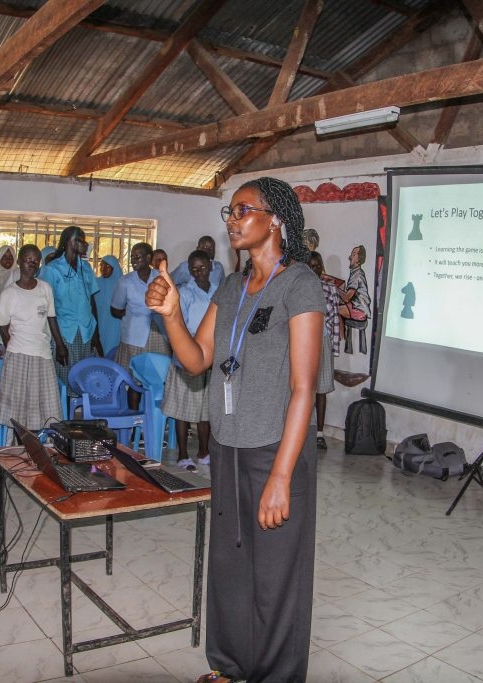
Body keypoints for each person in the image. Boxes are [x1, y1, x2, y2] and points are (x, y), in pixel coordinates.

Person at [147, 177, 323, 683]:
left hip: (275, 451)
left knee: (274, 576)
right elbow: (197, 359)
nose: (231, 218)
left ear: (275, 220)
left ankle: (274, 674)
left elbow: (303, 388)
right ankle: (228, 667)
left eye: (243, 209)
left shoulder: (300, 284)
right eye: (229, 210)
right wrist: (173, 315)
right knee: (228, 564)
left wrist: (282, 477)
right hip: (227, 446)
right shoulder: (230, 287)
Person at [0, 244, 65, 433]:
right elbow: (3, 328)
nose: (32, 263)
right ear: (19, 261)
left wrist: (59, 345)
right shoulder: (9, 293)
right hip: (18, 355)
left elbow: (51, 318)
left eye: (36, 260)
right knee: (18, 412)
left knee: (43, 409)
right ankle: (20, 449)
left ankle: (38, 450)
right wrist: (14, 347)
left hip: (42, 354)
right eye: (28, 259)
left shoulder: (45, 289)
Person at [161, 250, 217, 470]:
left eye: (202, 268)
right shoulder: (184, 293)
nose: (198, 272)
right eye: (194, 269)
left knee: (206, 410)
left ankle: (204, 452)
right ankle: (183, 455)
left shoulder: (217, 293)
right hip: (186, 358)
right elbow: (173, 326)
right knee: (182, 410)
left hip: (210, 358)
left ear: (211, 267)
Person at [38, 226, 101, 395]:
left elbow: (92, 302)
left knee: (85, 381)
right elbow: (46, 309)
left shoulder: (86, 268)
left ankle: (80, 419)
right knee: (65, 383)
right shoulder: (52, 270)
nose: (84, 244)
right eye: (79, 240)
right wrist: (59, 344)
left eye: (84, 240)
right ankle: (65, 419)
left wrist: (96, 335)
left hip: (86, 333)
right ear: (68, 242)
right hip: (64, 333)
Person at [111, 242, 171, 408]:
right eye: (132, 257)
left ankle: (155, 419)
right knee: (134, 381)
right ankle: (134, 420)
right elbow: (115, 309)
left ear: (148, 258)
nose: (133, 260)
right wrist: (132, 316)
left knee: (160, 379)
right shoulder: (125, 282)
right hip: (134, 337)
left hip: (159, 335)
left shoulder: (161, 278)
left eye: (137, 257)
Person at [308, 251, 340, 451]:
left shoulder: (330, 289)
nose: (314, 269)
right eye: (311, 265)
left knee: (321, 389)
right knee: (302, 389)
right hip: (303, 343)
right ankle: (302, 430)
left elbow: (335, 319)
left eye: (317, 265)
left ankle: (319, 433)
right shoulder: (297, 287)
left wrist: (334, 348)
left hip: (323, 341)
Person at [338, 244, 370, 343]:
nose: (350, 257)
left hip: (359, 310)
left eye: (353, 254)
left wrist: (335, 288)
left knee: (332, 309)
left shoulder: (357, 274)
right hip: (356, 307)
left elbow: (347, 298)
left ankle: (341, 339)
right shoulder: (356, 272)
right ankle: (341, 337)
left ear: (358, 258)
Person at [94, 255, 123, 358]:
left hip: (115, 326)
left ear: (114, 267)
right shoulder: (96, 283)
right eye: (101, 265)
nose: (103, 269)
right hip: (99, 324)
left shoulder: (122, 284)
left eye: (108, 266)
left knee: (113, 352)